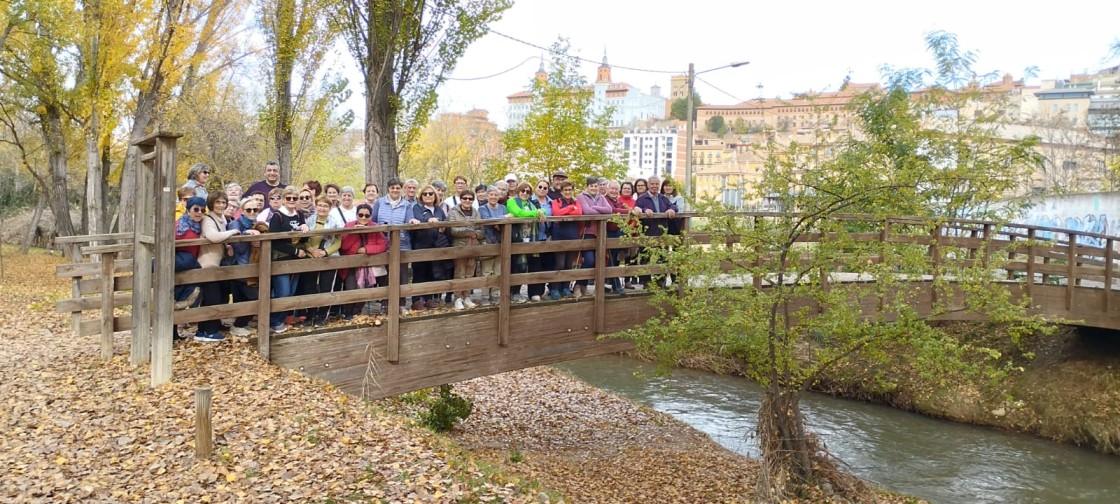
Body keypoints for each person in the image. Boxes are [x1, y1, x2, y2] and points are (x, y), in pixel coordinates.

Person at [195, 191, 245, 342]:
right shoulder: (207, 219)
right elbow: (213, 236)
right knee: (213, 298)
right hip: (207, 264)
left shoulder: (222, 218)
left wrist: (227, 245)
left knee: (216, 296)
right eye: (218, 202)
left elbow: (221, 237)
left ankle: (202, 330)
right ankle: (210, 331)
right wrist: (233, 232)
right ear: (211, 203)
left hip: (217, 264)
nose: (221, 205)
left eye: (224, 203)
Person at [267, 185, 309, 333]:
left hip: (296, 259)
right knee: (282, 291)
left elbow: (304, 238)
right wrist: (295, 250)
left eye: (294, 198)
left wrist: (304, 228)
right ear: (284, 199)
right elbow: (275, 241)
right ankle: (273, 321)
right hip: (281, 259)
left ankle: (280, 319)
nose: (292, 200)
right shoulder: (277, 217)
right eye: (288, 198)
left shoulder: (299, 215)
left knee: (290, 291)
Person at [372, 177, 416, 315]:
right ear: (388, 189)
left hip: (401, 244)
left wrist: (412, 221)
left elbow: (409, 218)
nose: (395, 190)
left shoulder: (406, 204)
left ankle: (401, 304)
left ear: (401, 189)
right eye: (392, 188)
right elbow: (373, 221)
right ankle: (385, 304)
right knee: (385, 275)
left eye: (397, 188)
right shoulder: (379, 203)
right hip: (383, 243)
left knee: (402, 274)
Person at [301, 195, 345, 327]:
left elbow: (338, 241)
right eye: (320, 205)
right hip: (311, 256)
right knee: (309, 287)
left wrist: (325, 252)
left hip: (329, 257)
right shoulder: (309, 221)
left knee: (326, 287)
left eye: (325, 206)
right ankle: (310, 314)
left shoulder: (335, 222)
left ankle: (322, 315)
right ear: (316, 206)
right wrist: (311, 250)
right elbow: (303, 239)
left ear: (330, 208)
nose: (322, 208)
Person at [339, 204, 388, 319]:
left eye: (367, 215)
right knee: (351, 288)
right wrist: (353, 233)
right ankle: (348, 312)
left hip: (368, 264)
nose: (363, 218)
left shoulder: (375, 227)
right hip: (351, 264)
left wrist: (366, 250)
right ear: (356, 215)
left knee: (365, 288)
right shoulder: (349, 226)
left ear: (371, 216)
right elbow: (344, 246)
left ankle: (357, 310)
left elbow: (382, 245)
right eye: (360, 215)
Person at [227, 196, 264, 337]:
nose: (252, 212)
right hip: (240, 267)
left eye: (255, 209)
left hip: (254, 267)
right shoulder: (236, 224)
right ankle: (238, 325)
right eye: (249, 210)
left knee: (243, 298)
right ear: (242, 211)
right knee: (256, 296)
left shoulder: (259, 225)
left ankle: (240, 324)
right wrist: (247, 236)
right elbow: (237, 248)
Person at [409, 185, 449, 311]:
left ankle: (428, 298)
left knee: (432, 273)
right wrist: (428, 220)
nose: (428, 196)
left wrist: (443, 227)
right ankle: (416, 300)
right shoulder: (417, 207)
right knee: (419, 273)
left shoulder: (438, 209)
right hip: (420, 245)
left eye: (430, 194)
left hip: (436, 245)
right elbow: (417, 219)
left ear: (435, 196)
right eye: (425, 194)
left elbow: (444, 221)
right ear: (421, 196)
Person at [634, 176, 678, 288]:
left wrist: (672, 209)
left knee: (662, 258)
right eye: (652, 184)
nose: (654, 186)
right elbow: (637, 208)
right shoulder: (642, 198)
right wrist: (644, 210)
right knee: (645, 257)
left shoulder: (663, 198)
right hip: (647, 232)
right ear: (648, 185)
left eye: (656, 184)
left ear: (659, 185)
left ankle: (661, 282)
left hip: (662, 233)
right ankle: (646, 282)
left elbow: (672, 205)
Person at [506, 181, 545, 303]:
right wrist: (536, 213)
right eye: (523, 190)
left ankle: (526, 293)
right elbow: (519, 213)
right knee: (518, 266)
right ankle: (514, 292)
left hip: (531, 239)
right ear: (518, 191)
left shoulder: (532, 203)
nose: (525, 193)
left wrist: (540, 212)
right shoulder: (512, 201)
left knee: (529, 266)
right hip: (517, 238)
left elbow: (543, 212)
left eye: (528, 192)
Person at [574, 176, 612, 299]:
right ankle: (578, 285)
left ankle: (584, 285)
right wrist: (599, 211)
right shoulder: (581, 197)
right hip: (587, 232)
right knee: (589, 260)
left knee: (598, 260)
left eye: (596, 186)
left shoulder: (601, 197)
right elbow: (586, 211)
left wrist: (594, 208)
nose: (594, 188)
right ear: (587, 186)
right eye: (592, 186)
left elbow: (609, 210)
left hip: (600, 233)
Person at [447, 191, 485, 310]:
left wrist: (475, 234)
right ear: (461, 199)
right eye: (465, 198)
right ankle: (458, 298)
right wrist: (470, 232)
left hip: (473, 247)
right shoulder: (454, 212)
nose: (467, 200)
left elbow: (482, 230)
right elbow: (453, 230)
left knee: (470, 273)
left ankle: (467, 296)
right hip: (460, 246)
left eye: (470, 198)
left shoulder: (476, 212)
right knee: (460, 273)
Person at [549, 181, 583, 299]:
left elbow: (579, 212)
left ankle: (565, 287)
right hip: (559, 235)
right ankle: (554, 288)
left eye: (570, 190)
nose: (568, 192)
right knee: (559, 263)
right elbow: (557, 213)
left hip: (572, 234)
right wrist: (570, 208)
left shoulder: (577, 202)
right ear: (561, 191)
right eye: (565, 190)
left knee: (569, 264)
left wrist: (569, 210)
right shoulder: (556, 202)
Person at [478, 187, 508, 305]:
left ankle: (495, 294)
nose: (493, 197)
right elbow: (487, 221)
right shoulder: (482, 208)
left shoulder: (503, 208)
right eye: (491, 194)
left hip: (501, 241)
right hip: (488, 241)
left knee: (498, 270)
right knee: (486, 270)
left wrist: (497, 222)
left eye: (496, 195)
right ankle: (485, 295)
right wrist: (501, 220)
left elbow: (504, 223)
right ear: (487, 196)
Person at [604, 180, 634, 295]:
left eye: (616, 189)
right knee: (610, 259)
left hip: (617, 231)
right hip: (606, 231)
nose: (614, 191)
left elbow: (620, 209)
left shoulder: (617, 201)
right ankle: (617, 286)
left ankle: (613, 284)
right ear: (607, 189)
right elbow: (613, 211)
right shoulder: (605, 199)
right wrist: (630, 211)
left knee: (615, 259)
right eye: (612, 188)